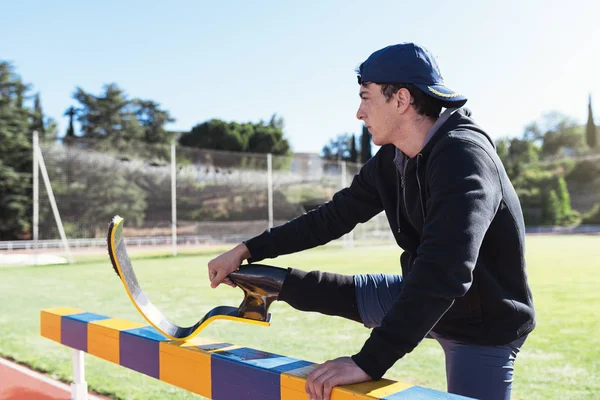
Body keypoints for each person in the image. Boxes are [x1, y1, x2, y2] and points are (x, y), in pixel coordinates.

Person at [207, 42, 535, 400]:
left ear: (401, 100)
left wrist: (369, 361)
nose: (359, 113)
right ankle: (273, 284)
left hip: (481, 321)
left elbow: (446, 270)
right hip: (422, 291)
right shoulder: (392, 159)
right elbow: (332, 218)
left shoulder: (464, 156)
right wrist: (248, 250)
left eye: (366, 98)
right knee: (355, 293)